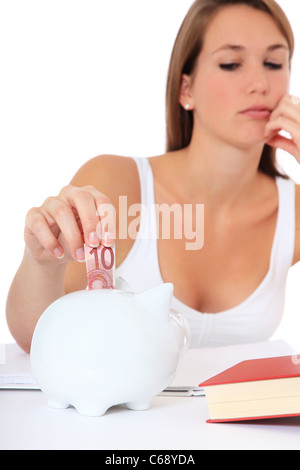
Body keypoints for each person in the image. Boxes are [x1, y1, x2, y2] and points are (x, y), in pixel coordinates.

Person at [6, 0, 300, 353]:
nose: (260, 83)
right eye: (231, 64)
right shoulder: (115, 183)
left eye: (274, 63)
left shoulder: (292, 208)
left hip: (241, 411)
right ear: (185, 90)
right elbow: (35, 338)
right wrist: (41, 261)